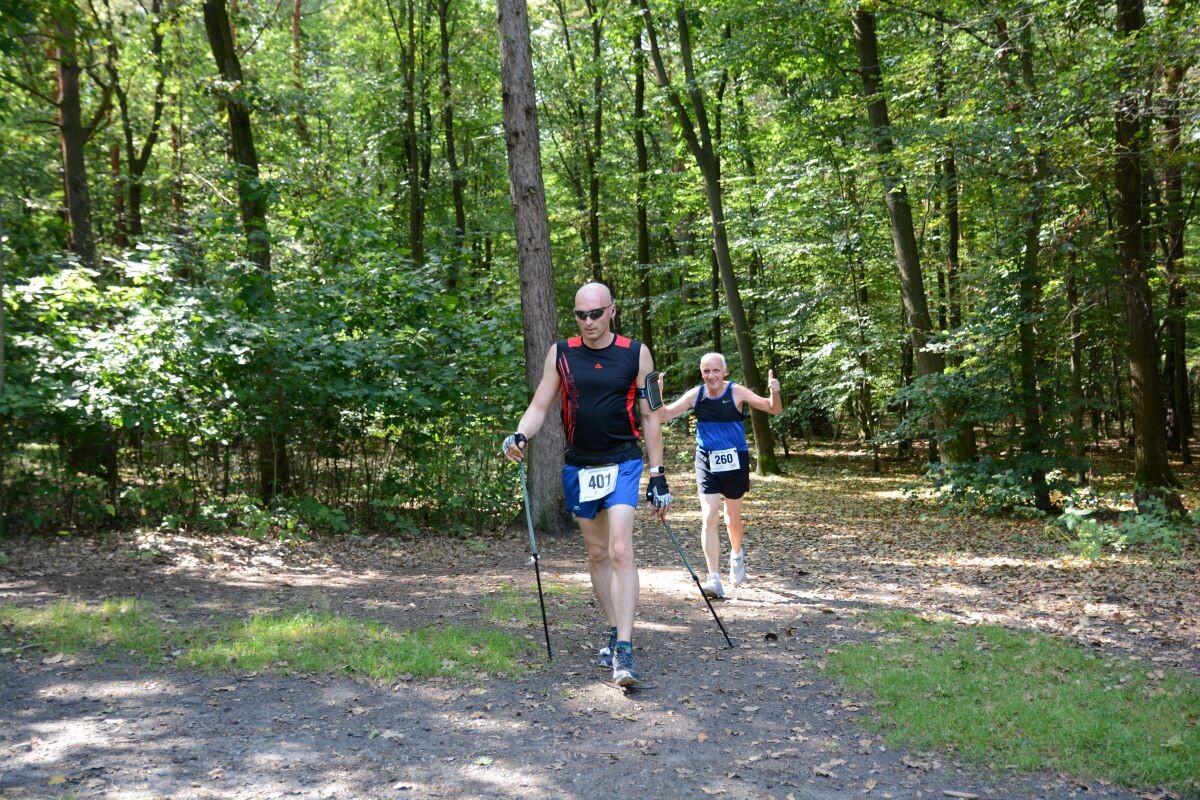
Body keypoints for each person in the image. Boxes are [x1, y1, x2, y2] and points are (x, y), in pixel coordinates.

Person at [503, 282, 672, 687]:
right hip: (581, 465)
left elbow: (650, 416)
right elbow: (540, 404)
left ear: (612, 311)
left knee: (619, 548)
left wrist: (658, 473)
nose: (589, 321)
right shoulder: (561, 354)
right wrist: (521, 435)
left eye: (596, 313)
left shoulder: (636, 352)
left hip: (624, 460)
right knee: (597, 553)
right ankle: (615, 631)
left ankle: (626, 651)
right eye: (581, 315)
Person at [658, 353, 781, 598]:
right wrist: (658, 392)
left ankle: (736, 555)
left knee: (732, 519)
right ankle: (713, 578)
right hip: (706, 460)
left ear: (724, 372)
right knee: (709, 516)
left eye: (715, 371)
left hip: (735, 460)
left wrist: (774, 392)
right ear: (701, 373)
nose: (711, 376)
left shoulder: (737, 392)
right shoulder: (696, 395)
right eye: (706, 371)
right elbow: (664, 415)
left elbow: (773, 409)